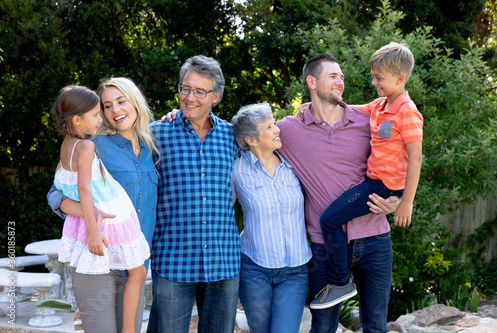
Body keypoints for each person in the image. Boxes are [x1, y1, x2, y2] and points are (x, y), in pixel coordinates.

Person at [276, 53, 401, 332]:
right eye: (333, 75)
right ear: (312, 81)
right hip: (324, 246)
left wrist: (396, 200)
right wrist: (185, 116)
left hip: (374, 239)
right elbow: (249, 136)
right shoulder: (288, 130)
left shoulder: (366, 122)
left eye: (342, 76)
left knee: (376, 327)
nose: (340, 81)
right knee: (322, 328)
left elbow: (399, 157)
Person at [306, 42, 423, 309]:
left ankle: (339, 283)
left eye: (378, 78)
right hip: (374, 183)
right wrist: (309, 106)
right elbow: (353, 108)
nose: (374, 82)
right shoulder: (381, 106)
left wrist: (405, 201)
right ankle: (341, 281)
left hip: (383, 187)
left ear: (399, 78)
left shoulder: (407, 112)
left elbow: (415, 158)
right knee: (331, 220)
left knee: (329, 220)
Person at [47, 77, 159, 333]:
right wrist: (91, 216)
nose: (114, 110)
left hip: (134, 264)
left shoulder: (152, 146)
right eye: (106, 106)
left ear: (136, 102)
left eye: (121, 101)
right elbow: (55, 191)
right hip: (99, 262)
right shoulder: (92, 145)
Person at [147, 55, 240, 333]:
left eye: (200, 91)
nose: (190, 97)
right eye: (185, 88)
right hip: (173, 261)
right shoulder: (156, 135)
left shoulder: (233, 135)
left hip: (223, 260)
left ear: (216, 96)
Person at [231, 102, 312, 333]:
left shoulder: (294, 165)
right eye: (268, 127)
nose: (277, 129)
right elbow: (221, 209)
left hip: (295, 270)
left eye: (274, 124)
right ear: (251, 140)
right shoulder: (236, 170)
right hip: (254, 267)